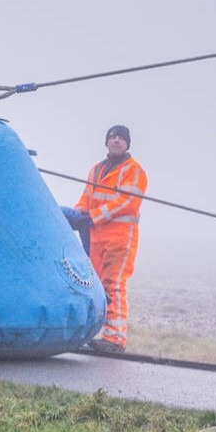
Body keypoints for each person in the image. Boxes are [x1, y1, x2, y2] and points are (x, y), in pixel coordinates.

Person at [73, 124, 146, 352]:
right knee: (97, 286)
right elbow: (86, 197)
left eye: (121, 138)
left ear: (127, 144)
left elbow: (127, 202)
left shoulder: (134, 170)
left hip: (119, 239)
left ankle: (115, 339)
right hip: (96, 239)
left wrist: (93, 217)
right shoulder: (96, 169)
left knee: (113, 285)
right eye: (113, 137)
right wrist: (76, 215)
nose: (116, 141)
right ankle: (98, 336)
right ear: (106, 142)